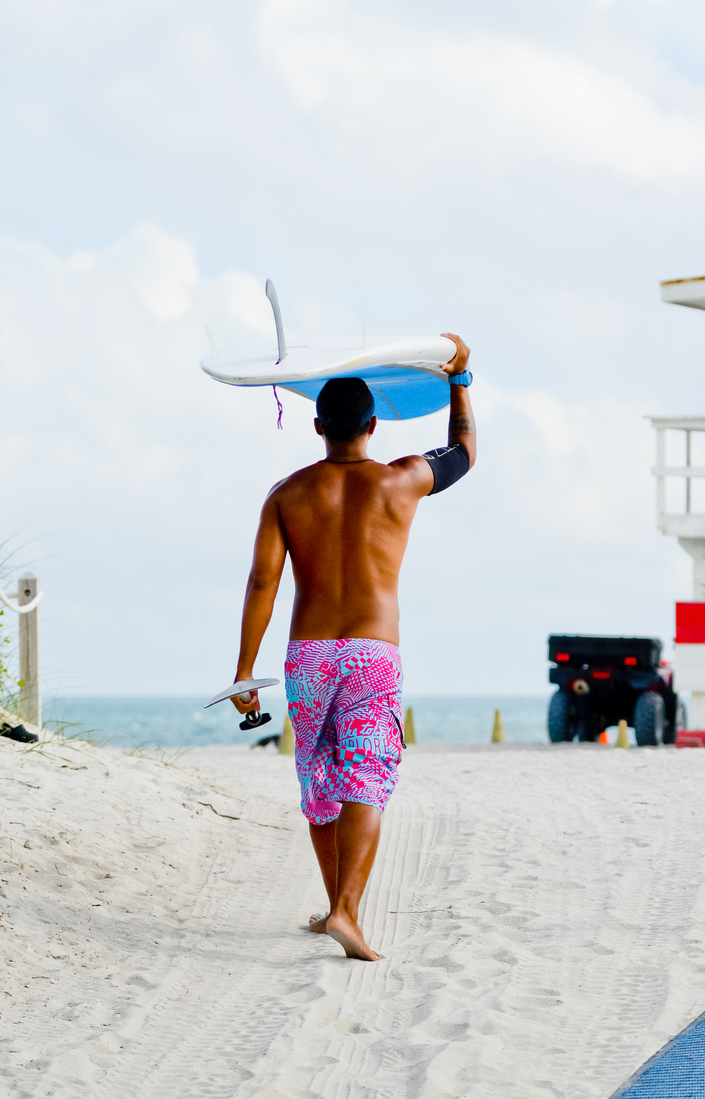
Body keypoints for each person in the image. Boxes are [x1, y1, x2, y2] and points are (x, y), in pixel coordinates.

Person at [228, 335, 475, 961]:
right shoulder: (403, 479)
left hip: (308, 656)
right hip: (371, 655)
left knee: (319, 782)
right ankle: (345, 912)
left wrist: (244, 671)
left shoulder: (285, 493)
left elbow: (263, 582)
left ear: (317, 426)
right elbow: (466, 453)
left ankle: (334, 904)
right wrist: (460, 381)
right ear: (372, 424)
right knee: (364, 780)